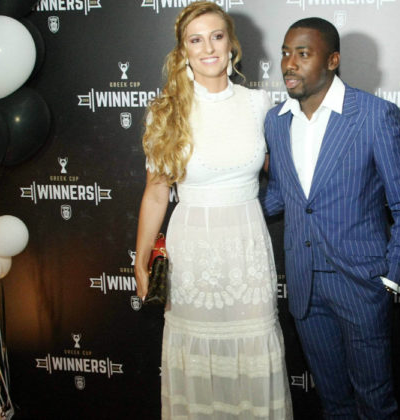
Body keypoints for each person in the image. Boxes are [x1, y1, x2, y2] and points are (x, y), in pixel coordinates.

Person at [261, 18, 400, 420]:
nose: (289, 64)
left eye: (303, 53)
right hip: (304, 284)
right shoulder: (276, 121)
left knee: (375, 403)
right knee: (333, 403)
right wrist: (226, 203)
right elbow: (282, 195)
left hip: (361, 284)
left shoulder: (373, 115)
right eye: (285, 53)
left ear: (332, 60)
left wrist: (393, 274)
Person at [134, 2, 292, 419]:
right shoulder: (166, 111)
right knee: (196, 355)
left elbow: (283, 176)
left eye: (216, 37)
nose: (208, 48)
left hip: (247, 247)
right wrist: (140, 259)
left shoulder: (260, 104)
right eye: (196, 40)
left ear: (231, 44)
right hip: (192, 251)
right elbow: (156, 193)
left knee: (252, 348)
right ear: (183, 50)